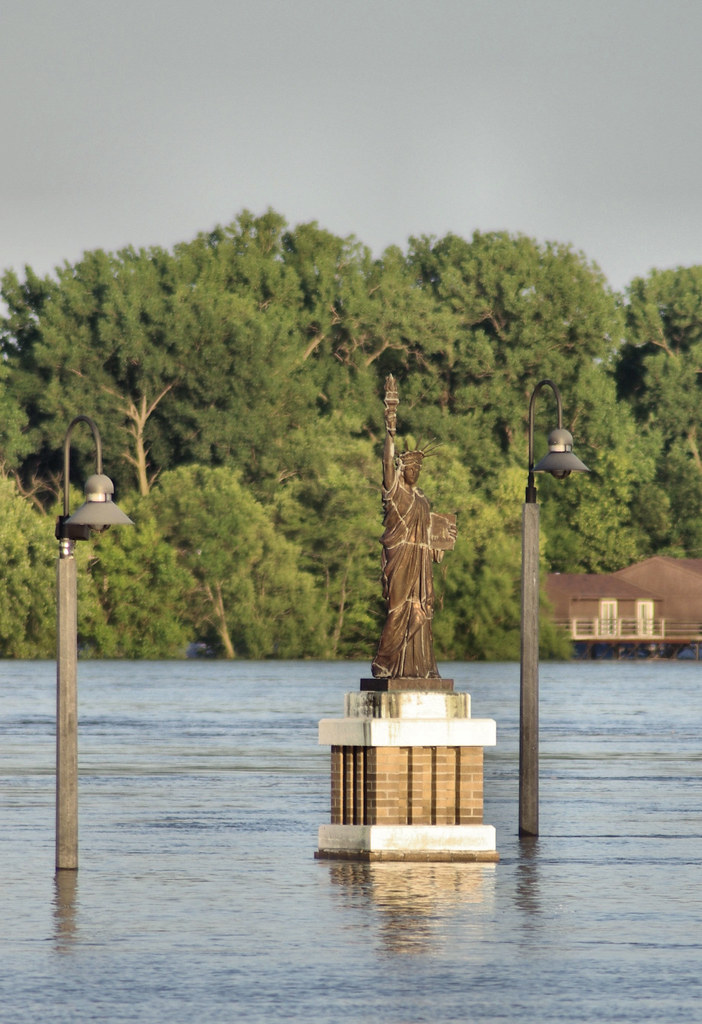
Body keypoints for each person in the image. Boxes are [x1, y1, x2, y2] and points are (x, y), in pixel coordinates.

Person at [371, 376, 456, 679]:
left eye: (419, 469)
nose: (415, 472)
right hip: (400, 559)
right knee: (398, 611)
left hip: (421, 562)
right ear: (402, 470)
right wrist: (390, 430)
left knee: (422, 612)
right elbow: (385, 461)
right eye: (411, 468)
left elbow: (432, 538)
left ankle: (422, 668)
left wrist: (443, 541)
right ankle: (384, 662)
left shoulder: (422, 498)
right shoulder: (396, 491)